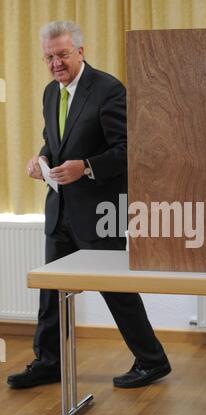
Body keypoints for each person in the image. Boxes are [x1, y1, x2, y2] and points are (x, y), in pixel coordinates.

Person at [7, 20, 171, 389]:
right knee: (51, 290)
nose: (55, 63)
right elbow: (55, 142)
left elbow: (130, 151)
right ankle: (49, 361)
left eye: (62, 54)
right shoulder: (51, 93)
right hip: (60, 210)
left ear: (80, 51)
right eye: (49, 57)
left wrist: (88, 167)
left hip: (100, 212)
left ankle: (152, 360)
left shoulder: (108, 89)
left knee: (115, 288)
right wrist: (41, 159)